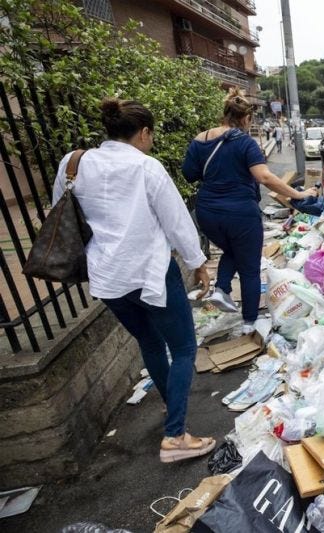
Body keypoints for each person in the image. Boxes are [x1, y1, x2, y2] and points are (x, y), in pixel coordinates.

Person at [52, 98, 215, 463]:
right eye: (151, 135)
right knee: (185, 347)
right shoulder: (146, 167)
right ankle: (175, 437)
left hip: (108, 277)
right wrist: (199, 263)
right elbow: (175, 220)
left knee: (151, 342)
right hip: (151, 273)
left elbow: (59, 210)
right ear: (143, 133)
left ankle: (171, 410)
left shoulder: (73, 162)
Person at [182, 88, 317, 332]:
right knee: (249, 267)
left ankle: (222, 289)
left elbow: (189, 174)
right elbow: (264, 177)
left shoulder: (199, 140)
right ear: (246, 118)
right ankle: (249, 323)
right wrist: (298, 194)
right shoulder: (245, 142)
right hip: (240, 213)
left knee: (232, 250)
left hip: (207, 213)